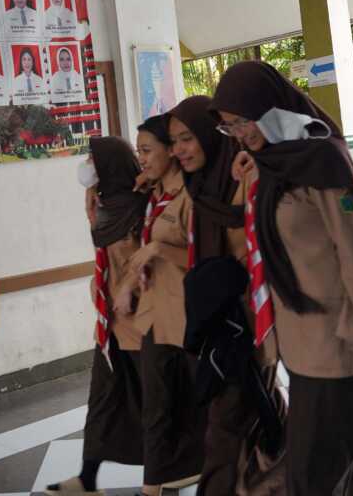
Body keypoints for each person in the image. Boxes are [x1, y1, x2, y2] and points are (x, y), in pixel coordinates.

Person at [209, 61, 353, 496]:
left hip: (332, 343)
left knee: (312, 476)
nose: (239, 133)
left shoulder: (324, 163)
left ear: (268, 107)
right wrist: (249, 171)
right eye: (229, 128)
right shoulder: (270, 165)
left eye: (242, 121)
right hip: (296, 341)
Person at [168, 95, 286, 496]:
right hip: (220, 328)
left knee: (226, 432)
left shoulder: (244, 176)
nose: (178, 150)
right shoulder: (201, 188)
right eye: (174, 142)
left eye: (187, 138)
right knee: (255, 422)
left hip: (248, 327)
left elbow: (263, 247)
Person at [46, 137, 148, 495]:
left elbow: (151, 259)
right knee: (101, 403)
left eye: (92, 158)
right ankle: (87, 480)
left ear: (109, 166)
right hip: (111, 328)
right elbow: (106, 253)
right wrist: (91, 214)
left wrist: (129, 286)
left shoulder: (140, 207)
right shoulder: (105, 207)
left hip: (143, 327)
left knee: (154, 407)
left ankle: (159, 484)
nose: (86, 164)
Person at [113, 115, 205, 495]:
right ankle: (152, 487)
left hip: (189, 319)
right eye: (139, 152)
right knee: (155, 406)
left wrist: (158, 248)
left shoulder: (192, 196)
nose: (142, 159)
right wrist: (128, 286)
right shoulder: (152, 198)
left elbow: (203, 259)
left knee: (205, 406)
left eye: (148, 150)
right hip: (155, 318)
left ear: (171, 151)